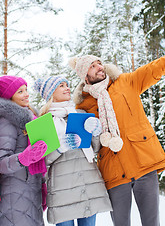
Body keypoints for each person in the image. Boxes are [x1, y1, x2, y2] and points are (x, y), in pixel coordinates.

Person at [69, 24, 165, 226]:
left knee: (151, 222)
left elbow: (159, 66)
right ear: (84, 75)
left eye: (100, 63)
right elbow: (81, 140)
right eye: (93, 66)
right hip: (113, 171)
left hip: (143, 162)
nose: (100, 67)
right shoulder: (83, 105)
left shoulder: (126, 82)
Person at [34, 75, 112, 226]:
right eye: (61, 85)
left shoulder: (81, 115)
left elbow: (94, 149)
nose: (67, 88)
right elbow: (41, 161)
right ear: (51, 93)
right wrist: (60, 147)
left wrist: (95, 132)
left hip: (87, 184)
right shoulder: (43, 122)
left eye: (67, 85)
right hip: (63, 190)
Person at [0, 75, 48, 226]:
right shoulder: (7, 120)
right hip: (14, 194)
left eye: (26, 90)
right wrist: (25, 157)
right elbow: (1, 163)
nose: (26, 94)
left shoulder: (32, 118)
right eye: (20, 91)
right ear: (9, 96)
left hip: (32, 189)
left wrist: (42, 183)